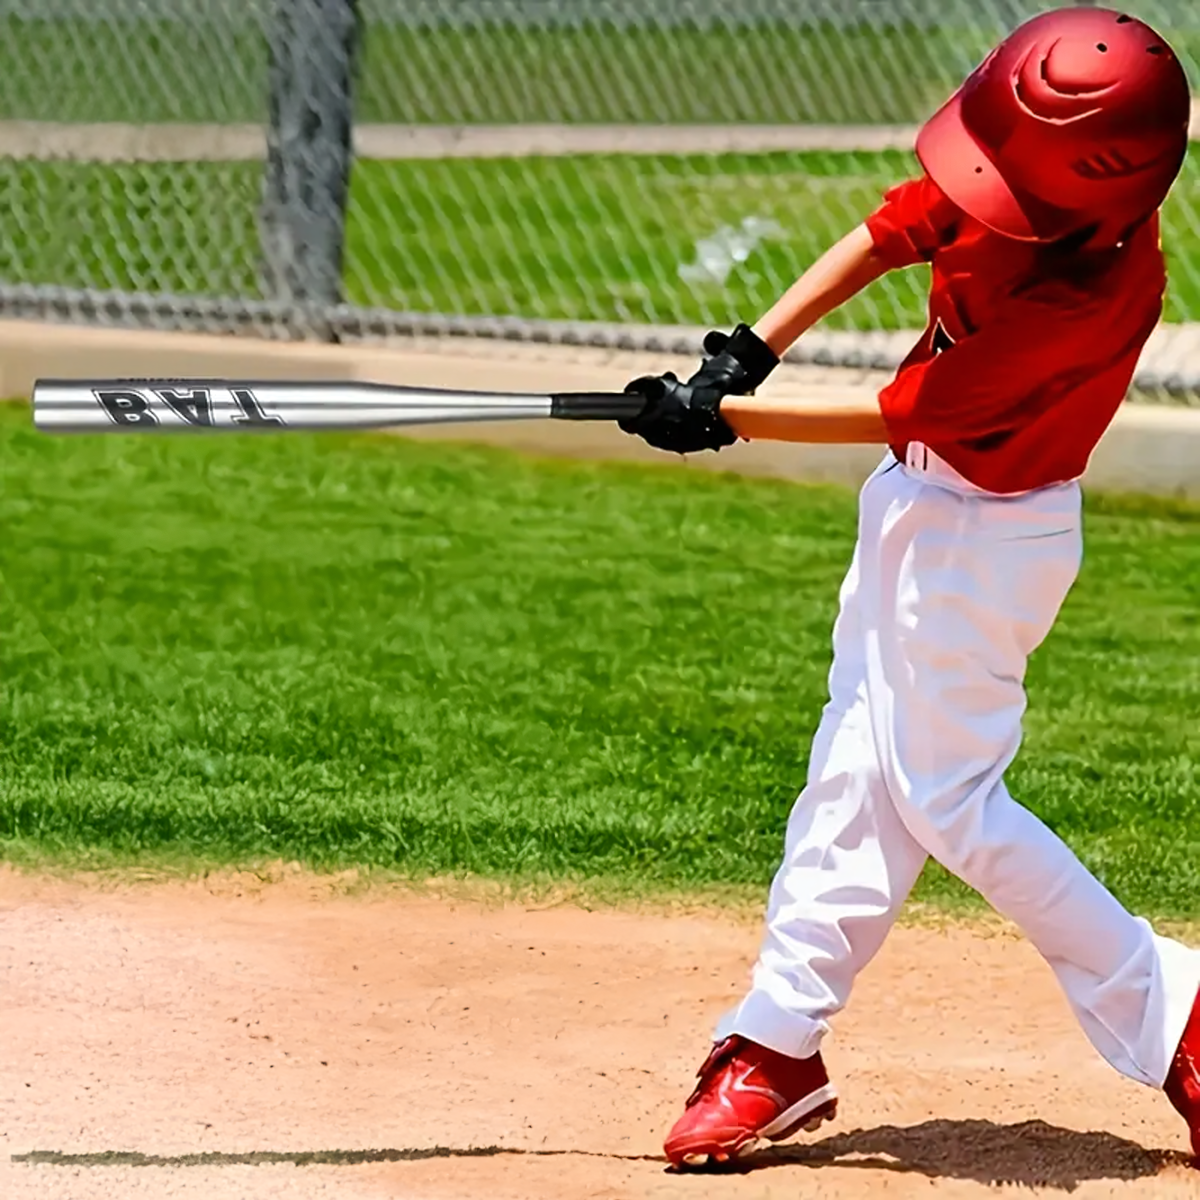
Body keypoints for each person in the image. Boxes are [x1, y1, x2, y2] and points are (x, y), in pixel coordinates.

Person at [618, 5, 1200, 1170]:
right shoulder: (1021, 181)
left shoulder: (1093, 296)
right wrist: (747, 351)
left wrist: (720, 420)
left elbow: (902, 410)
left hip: (992, 540)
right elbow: (891, 231)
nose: (975, 193)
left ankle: (1178, 1016)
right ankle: (776, 1044)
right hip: (910, 507)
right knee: (852, 767)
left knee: (948, 802)